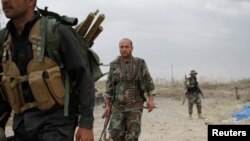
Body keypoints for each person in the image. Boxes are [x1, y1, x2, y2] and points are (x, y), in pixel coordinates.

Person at [0, 0, 95, 141]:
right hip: (22, 125)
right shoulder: (4, 39)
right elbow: (4, 87)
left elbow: (84, 77)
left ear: (31, 1)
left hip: (56, 124)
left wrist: (86, 124)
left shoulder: (57, 31)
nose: (5, 1)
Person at [104, 38, 156, 141]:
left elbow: (148, 81)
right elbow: (109, 85)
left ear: (132, 48)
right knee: (115, 133)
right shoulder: (114, 64)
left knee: (133, 135)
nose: (124, 49)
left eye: (126, 47)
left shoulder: (140, 63)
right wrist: (107, 105)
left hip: (135, 105)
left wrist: (151, 100)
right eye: (121, 47)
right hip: (118, 106)